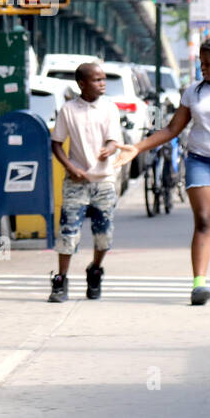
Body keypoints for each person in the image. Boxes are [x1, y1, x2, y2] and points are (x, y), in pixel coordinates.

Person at [122, 36, 210, 305]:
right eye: (200, 62)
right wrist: (137, 148)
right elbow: (172, 129)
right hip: (200, 162)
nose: (203, 68)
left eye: (208, 63)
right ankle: (199, 284)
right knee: (206, 221)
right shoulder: (193, 91)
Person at [48, 62, 124, 303]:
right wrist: (71, 168)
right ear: (82, 83)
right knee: (68, 233)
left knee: (104, 235)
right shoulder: (68, 110)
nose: (102, 84)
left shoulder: (110, 108)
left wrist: (108, 150)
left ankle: (95, 270)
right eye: (97, 80)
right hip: (76, 182)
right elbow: (56, 143)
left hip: (104, 181)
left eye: (104, 79)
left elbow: (115, 141)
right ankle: (61, 280)